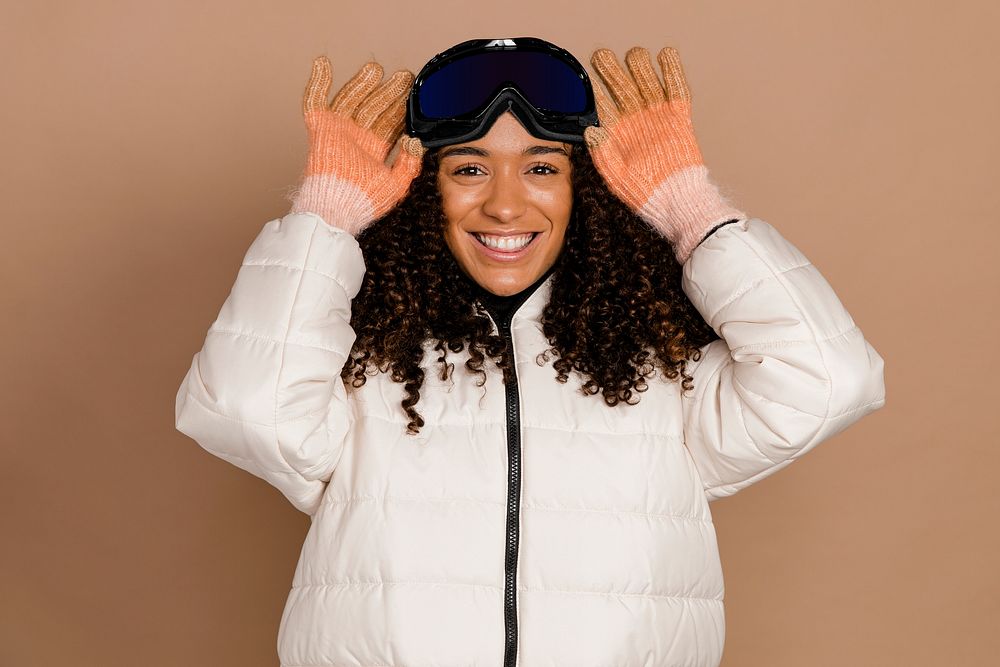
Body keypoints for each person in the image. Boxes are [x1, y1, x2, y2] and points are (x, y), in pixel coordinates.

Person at [175, 37, 886, 667]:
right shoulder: (367, 369)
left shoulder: (661, 375)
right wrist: (325, 218)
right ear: (423, 191)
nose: (507, 206)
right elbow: (244, 408)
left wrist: (690, 210)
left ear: (590, 192)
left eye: (543, 168)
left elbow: (829, 380)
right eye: (470, 169)